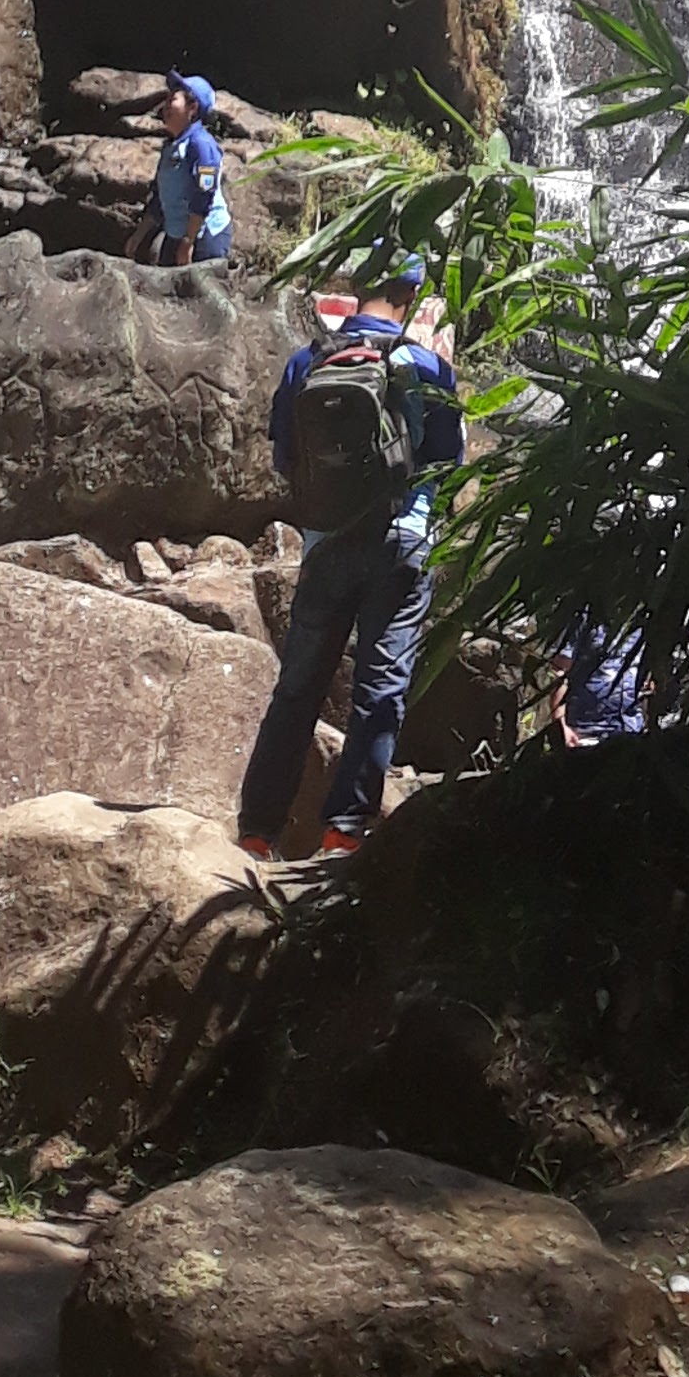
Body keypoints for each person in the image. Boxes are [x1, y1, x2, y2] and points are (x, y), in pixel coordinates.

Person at [235, 259, 462, 860]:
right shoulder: (430, 367)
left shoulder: (307, 360)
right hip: (401, 545)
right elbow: (448, 465)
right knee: (380, 690)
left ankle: (258, 829)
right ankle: (345, 832)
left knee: (298, 689)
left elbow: (286, 458)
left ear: (356, 290)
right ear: (411, 294)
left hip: (326, 544)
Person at [140, 71, 237, 268]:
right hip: (176, 235)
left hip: (204, 237)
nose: (166, 105)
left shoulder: (201, 145)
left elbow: (204, 191)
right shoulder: (171, 146)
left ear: (192, 107)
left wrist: (188, 241)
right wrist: (139, 235)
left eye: (173, 99)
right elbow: (162, 197)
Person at [552, 609, 650, 748]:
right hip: (585, 732)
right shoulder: (588, 617)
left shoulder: (647, 622)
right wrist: (561, 726)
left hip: (630, 731)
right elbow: (561, 675)